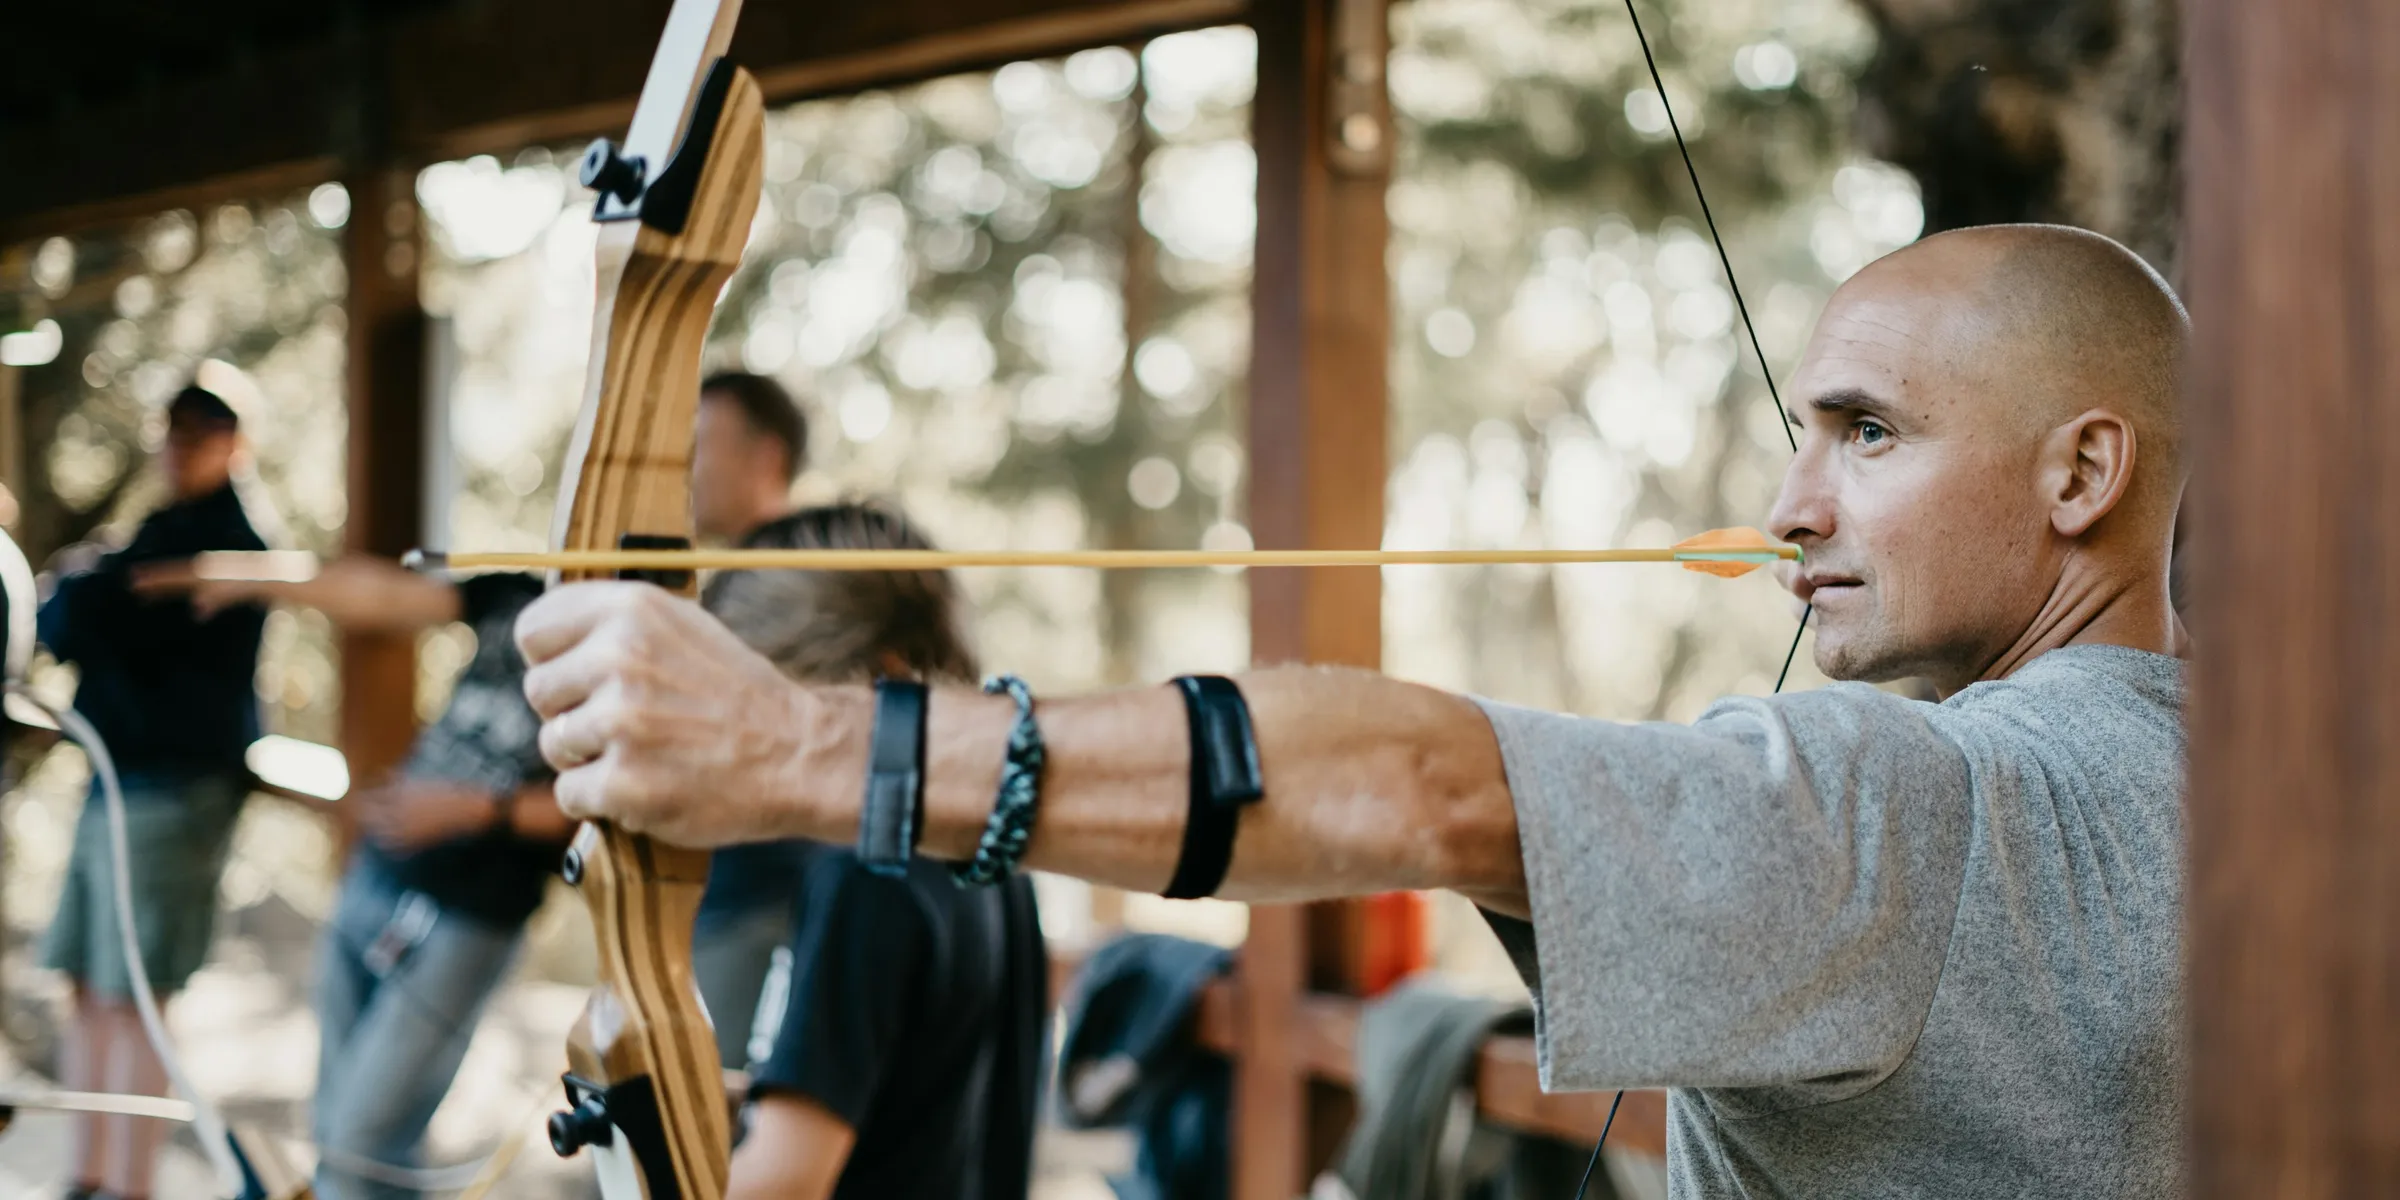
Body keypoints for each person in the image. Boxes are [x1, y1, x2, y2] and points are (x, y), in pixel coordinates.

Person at [514, 223, 2191, 1198]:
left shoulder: (1916, 809)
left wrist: (794, 746)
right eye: (1799, 437)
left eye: (1868, 435)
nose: (1790, 508)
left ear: (2082, 471)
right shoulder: (2253, 794)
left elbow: (1421, 788)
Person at [134, 554, 574, 1200]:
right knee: (337, 1134)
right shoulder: (520, 592)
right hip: (382, 872)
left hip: (473, 912)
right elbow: (384, 597)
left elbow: (605, 806)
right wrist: (258, 579)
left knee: (364, 1142)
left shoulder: (640, 631)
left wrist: (472, 807)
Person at [701, 503, 1046, 1200]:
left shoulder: (869, 872)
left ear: (882, 682)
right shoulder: (990, 851)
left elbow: (781, 1186)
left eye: (781, 706)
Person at [37, 384, 271, 1200]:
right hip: (114, 782)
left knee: (135, 999)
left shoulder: (234, 547)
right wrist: (98, 589)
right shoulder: (155, 535)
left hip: (175, 794)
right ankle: (87, 1174)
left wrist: (97, 589)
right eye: (171, 431)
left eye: (200, 433)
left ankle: (129, 1186)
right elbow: (63, 618)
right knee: (84, 984)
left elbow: (95, 616)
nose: (180, 447)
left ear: (233, 443)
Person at [684, 370, 815, 1068]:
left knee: (702, 1111)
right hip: (734, 889)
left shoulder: (801, 567)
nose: (684, 469)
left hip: (765, 893)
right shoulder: (748, 572)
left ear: (766, 457)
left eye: (701, 444)